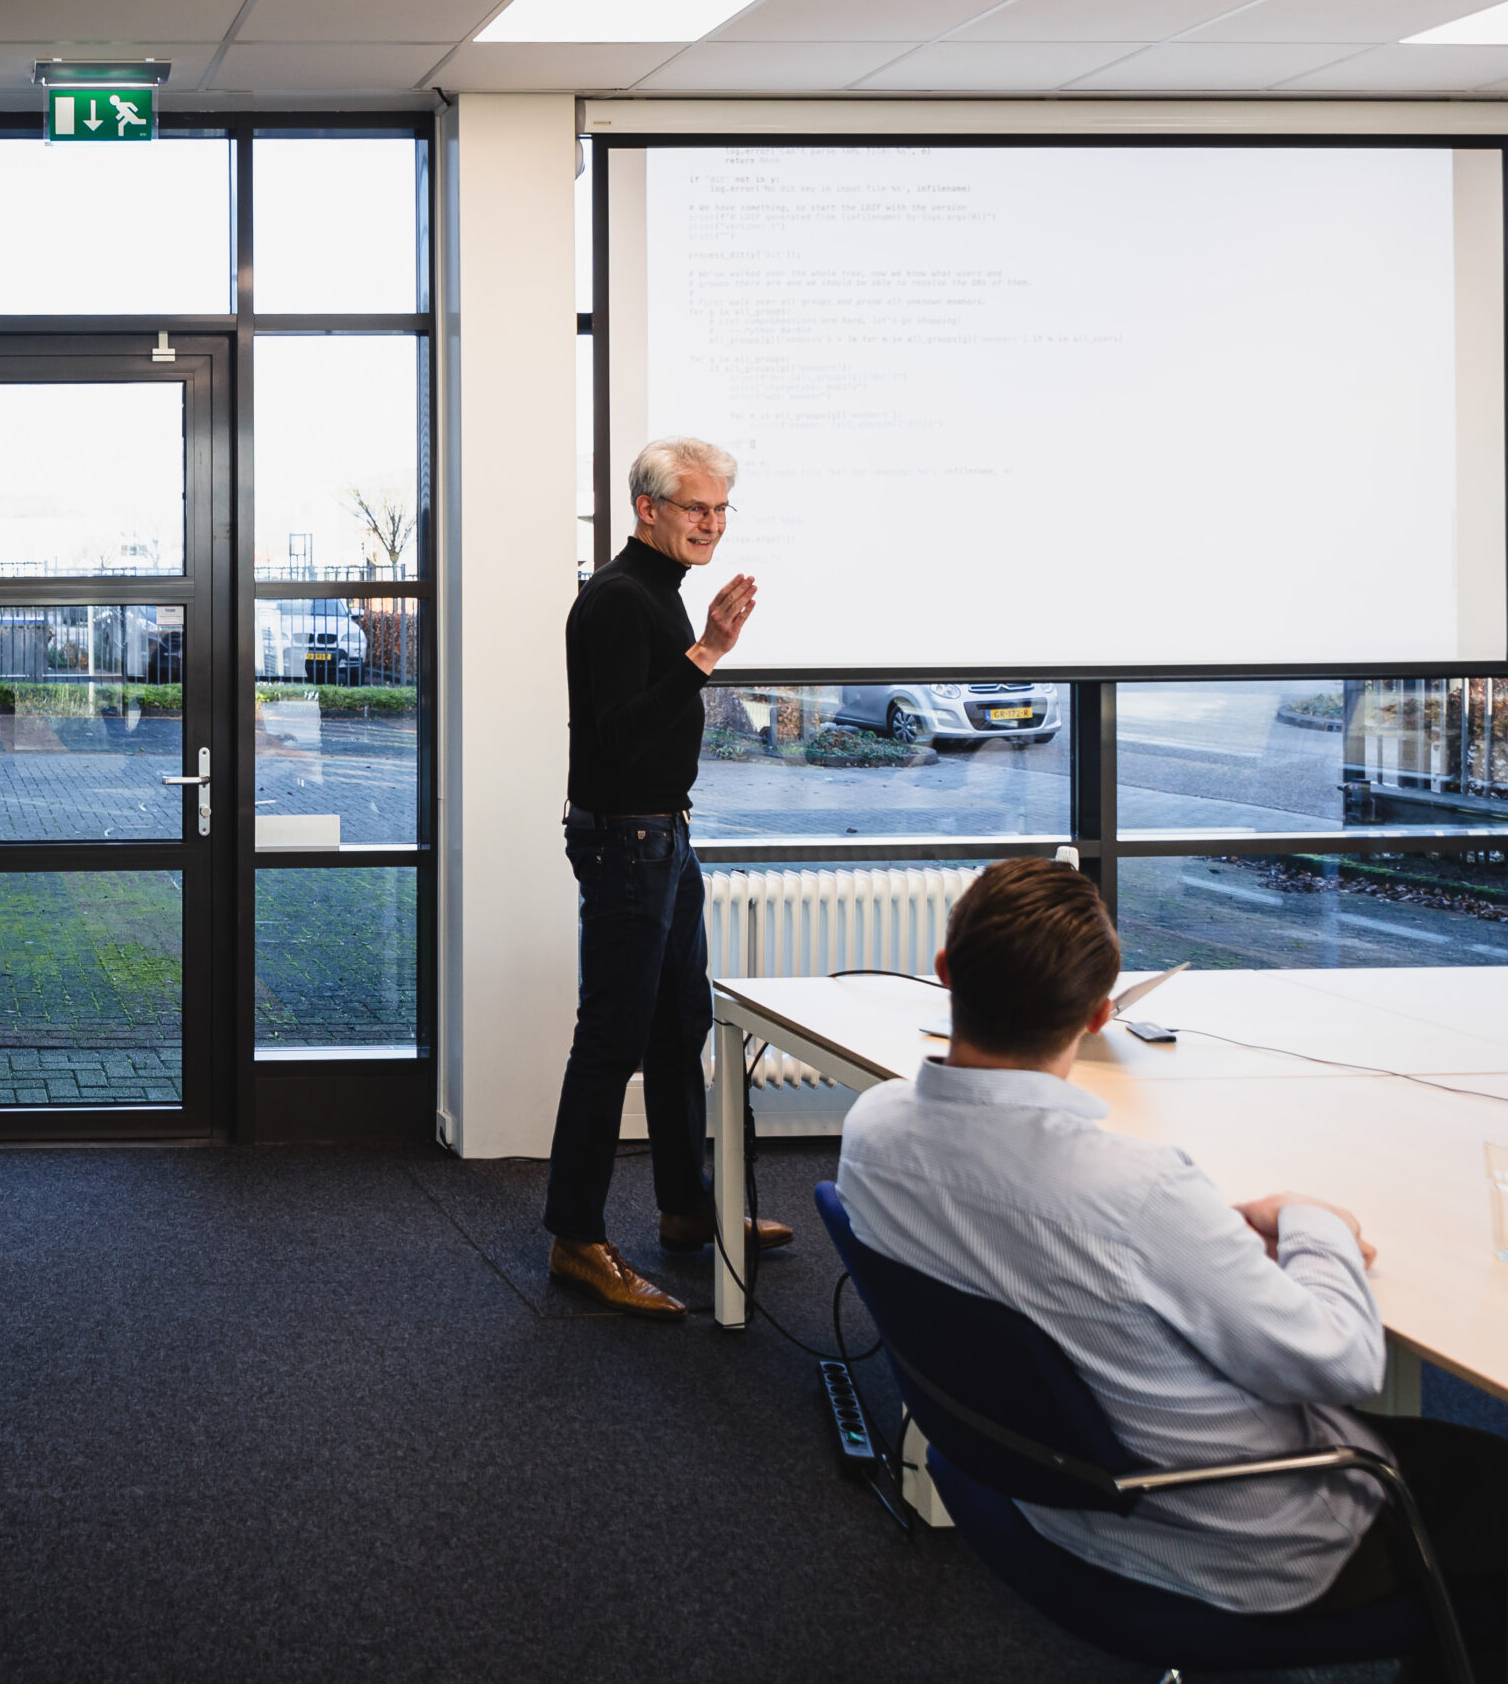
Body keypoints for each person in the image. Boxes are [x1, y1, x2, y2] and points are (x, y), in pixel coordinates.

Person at [838, 858, 1507, 1654]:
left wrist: (1197, 1241)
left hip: (1042, 1491)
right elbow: (1346, 1361)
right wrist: (1312, 1221)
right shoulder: (1136, 1191)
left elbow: (1036, 1234)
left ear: (946, 972)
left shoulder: (872, 1129)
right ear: (1098, 1016)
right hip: (1235, 1542)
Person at [543, 435, 785, 1318]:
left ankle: (687, 1212)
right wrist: (708, 652)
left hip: (663, 838)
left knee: (680, 1024)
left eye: (721, 510)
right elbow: (619, 736)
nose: (711, 524)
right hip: (624, 843)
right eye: (696, 508)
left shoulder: (661, 595)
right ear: (648, 509)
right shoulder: (616, 601)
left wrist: (702, 646)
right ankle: (576, 1237)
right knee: (612, 1034)